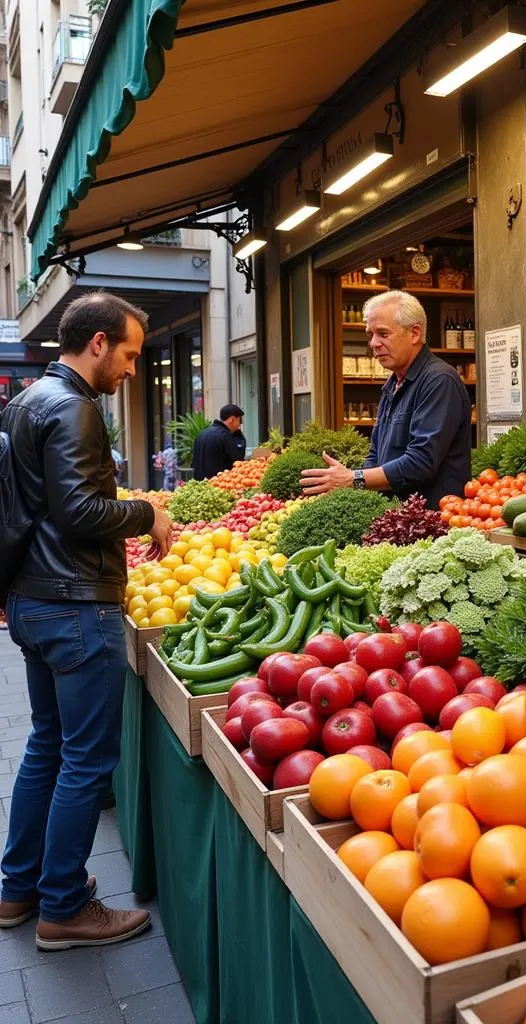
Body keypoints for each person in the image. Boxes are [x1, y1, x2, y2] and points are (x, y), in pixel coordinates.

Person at [0, 291, 172, 950]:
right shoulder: (74, 407)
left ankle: (20, 889)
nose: (132, 368)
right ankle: (65, 906)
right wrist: (145, 513)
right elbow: (78, 511)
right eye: (128, 354)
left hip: (33, 599)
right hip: (75, 605)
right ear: (97, 343)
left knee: (47, 743)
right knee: (85, 759)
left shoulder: (25, 401)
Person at [301, 290, 471, 508]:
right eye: (370, 334)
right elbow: (375, 455)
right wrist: (357, 487)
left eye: (383, 333)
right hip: (394, 517)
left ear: (414, 333)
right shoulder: (393, 384)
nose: (373, 343)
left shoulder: (439, 380)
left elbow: (421, 462)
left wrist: (354, 479)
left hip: (432, 520)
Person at [192, 403, 246, 480]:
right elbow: (238, 460)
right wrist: (239, 435)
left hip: (200, 484)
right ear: (232, 419)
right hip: (218, 483)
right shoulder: (225, 436)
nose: (240, 424)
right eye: (239, 420)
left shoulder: (202, 433)